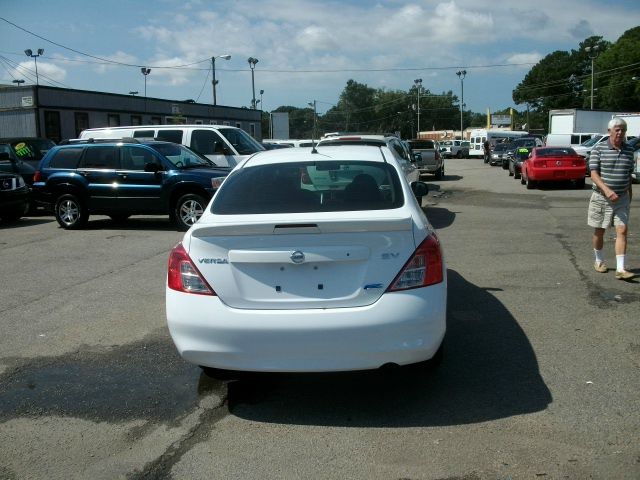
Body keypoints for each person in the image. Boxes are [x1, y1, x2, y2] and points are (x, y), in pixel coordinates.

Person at [588, 117, 635, 280]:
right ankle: (599, 260)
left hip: (621, 198)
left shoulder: (629, 150)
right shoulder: (598, 148)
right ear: (609, 131)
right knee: (599, 231)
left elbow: (628, 174)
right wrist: (607, 190)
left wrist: (630, 193)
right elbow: (593, 174)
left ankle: (621, 269)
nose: (621, 132)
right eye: (617, 129)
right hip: (602, 197)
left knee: (622, 230)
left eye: (623, 129)